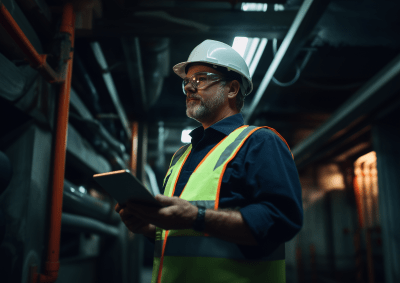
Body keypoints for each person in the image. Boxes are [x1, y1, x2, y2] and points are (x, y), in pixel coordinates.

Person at [115, 39, 303, 283]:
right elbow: (184, 235)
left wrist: (197, 216)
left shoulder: (259, 142)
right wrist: (149, 228)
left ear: (232, 89)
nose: (190, 88)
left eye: (200, 79)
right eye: (187, 82)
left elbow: (281, 220)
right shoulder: (181, 156)